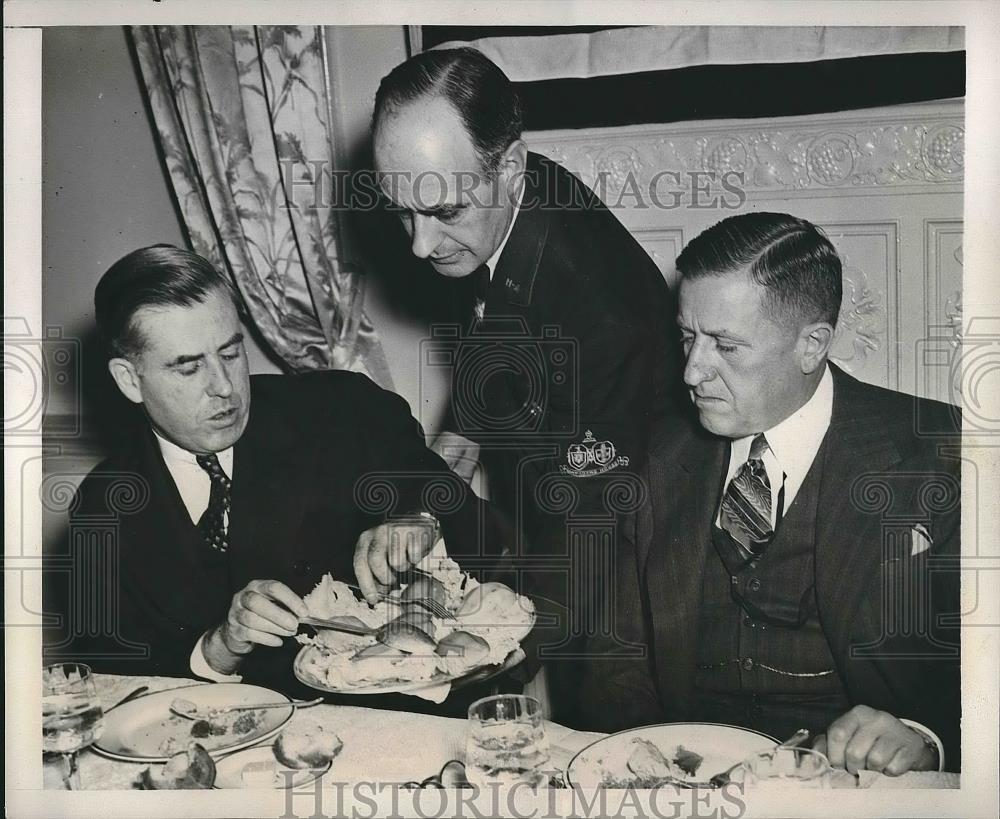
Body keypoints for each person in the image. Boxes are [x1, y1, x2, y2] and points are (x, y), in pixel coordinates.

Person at [579, 213, 961, 774]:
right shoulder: (657, 455)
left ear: (812, 345)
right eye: (687, 337)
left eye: (726, 348)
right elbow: (616, 654)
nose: (691, 371)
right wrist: (647, 767)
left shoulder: (940, 454)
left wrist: (925, 738)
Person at [368, 47, 681, 723]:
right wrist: (428, 499)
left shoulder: (599, 305)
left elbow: (591, 523)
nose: (420, 246)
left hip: (637, 570)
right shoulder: (507, 208)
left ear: (509, 166)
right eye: (403, 212)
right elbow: (496, 346)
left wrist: (486, 651)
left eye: (444, 211)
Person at [45, 246, 507, 699]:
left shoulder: (341, 410)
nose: (223, 388)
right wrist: (219, 647)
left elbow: (488, 533)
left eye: (230, 353)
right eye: (188, 368)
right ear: (129, 379)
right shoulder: (104, 505)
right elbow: (117, 690)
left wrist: (423, 520)